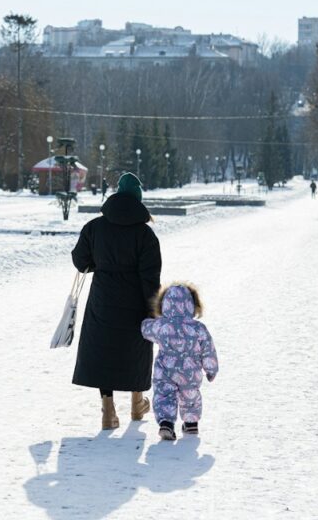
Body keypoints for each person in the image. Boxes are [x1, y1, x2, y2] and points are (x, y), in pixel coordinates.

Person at [71, 172, 162, 430]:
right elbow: (150, 277)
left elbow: (80, 261)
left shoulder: (94, 227)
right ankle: (136, 404)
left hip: (102, 300)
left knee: (104, 352)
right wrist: (152, 309)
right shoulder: (145, 235)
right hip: (134, 303)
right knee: (135, 351)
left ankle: (108, 412)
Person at [141, 283, 219, 441]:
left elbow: (146, 329)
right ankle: (191, 424)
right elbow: (208, 350)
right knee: (190, 396)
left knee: (164, 395)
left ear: (164, 305)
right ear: (192, 305)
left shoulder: (162, 325)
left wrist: (144, 323)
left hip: (165, 371)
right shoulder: (198, 328)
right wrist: (211, 370)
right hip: (190, 372)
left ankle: (166, 423)